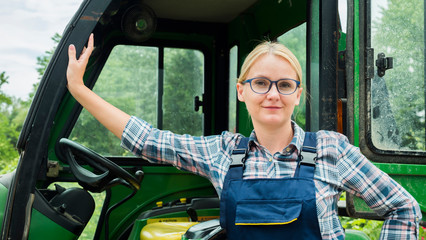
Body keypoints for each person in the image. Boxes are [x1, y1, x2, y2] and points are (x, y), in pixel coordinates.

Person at [67, 34, 422, 239]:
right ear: (241, 91)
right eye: (261, 83)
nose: (273, 94)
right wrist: (79, 90)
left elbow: (403, 207)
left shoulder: (330, 149)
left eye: (285, 85)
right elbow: (148, 139)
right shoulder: (222, 151)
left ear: (298, 93)